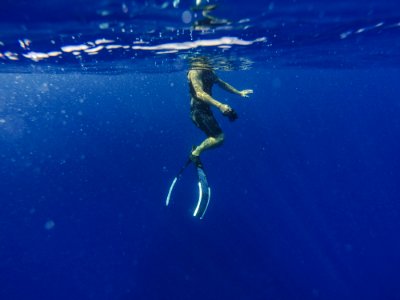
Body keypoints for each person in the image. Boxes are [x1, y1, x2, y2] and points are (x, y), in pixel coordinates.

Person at [188, 58, 253, 167]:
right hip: (198, 111)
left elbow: (221, 83)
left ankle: (196, 151)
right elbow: (199, 93)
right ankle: (195, 153)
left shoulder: (209, 71)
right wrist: (220, 105)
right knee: (219, 137)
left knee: (216, 137)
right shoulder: (195, 71)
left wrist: (239, 92)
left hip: (205, 110)